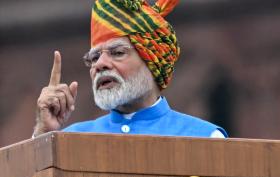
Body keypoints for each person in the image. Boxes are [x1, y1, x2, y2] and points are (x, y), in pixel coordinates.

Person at [33, 0, 227, 138]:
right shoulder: (70, 139)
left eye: (117, 52)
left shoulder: (205, 137)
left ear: (151, 60)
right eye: (94, 57)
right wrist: (43, 135)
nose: (100, 64)